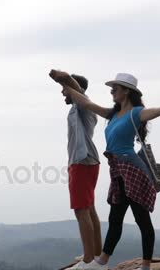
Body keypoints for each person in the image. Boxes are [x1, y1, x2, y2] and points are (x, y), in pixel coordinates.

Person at [51, 71, 160, 270]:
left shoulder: (136, 113)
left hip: (133, 171)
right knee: (115, 218)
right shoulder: (112, 113)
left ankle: (145, 266)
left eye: (116, 88)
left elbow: (159, 110)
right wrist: (64, 84)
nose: (112, 91)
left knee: (142, 220)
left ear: (127, 92)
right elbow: (86, 102)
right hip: (117, 170)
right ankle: (101, 262)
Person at [49, 70, 103, 270]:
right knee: (89, 209)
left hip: (82, 162)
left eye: (64, 89)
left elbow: (77, 90)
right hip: (86, 161)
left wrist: (62, 77)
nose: (62, 93)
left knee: (81, 210)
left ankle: (89, 261)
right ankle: (95, 255)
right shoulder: (79, 108)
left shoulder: (83, 105)